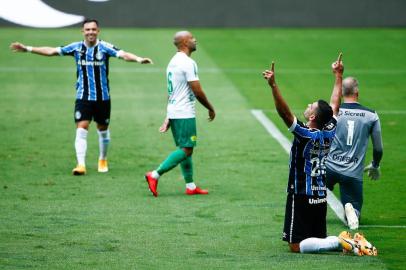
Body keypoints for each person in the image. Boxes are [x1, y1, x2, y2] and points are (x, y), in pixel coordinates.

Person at [262, 54, 376, 255]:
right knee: (316, 239)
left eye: (310, 106)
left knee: (296, 246)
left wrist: (273, 86)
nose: (307, 106)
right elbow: (334, 106)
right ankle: (342, 243)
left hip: (302, 194)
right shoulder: (329, 130)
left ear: (313, 117)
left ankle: (341, 242)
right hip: (320, 195)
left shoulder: (305, 134)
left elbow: (285, 113)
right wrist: (338, 76)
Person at [10, 19, 153, 175]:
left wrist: (139, 59)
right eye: (87, 30)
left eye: (93, 29)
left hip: (102, 97)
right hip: (83, 96)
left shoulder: (105, 48)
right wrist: (28, 48)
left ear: (98, 31)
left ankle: (103, 159)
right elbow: (51, 51)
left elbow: (123, 55)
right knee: (81, 127)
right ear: (82, 31)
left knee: (102, 129)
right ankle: (81, 164)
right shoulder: (76, 48)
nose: (90, 32)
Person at [145, 31, 215, 197]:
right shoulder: (187, 63)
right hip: (184, 112)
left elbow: (172, 92)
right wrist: (210, 108)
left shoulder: (173, 61)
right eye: (192, 38)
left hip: (176, 111)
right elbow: (197, 91)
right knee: (187, 149)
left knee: (184, 148)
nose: (195, 39)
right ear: (184, 42)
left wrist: (169, 115)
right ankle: (154, 175)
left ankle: (190, 186)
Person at [326, 77, 383, 230]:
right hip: (352, 173)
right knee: (354, 208)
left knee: (312, 192)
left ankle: (312, 205)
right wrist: (375, 164)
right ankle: (352, 211)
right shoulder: (371, 115)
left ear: (342, 92)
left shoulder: (334, 111)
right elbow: (378, 148)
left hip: (329, 167)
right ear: (357, 91)